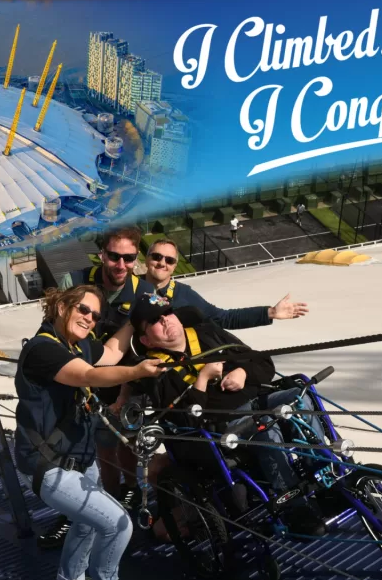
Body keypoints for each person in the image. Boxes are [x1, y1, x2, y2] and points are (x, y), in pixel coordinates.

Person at [14, 284, 162, 580]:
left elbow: (109, 352)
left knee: (87, 523)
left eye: (95, 315)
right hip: (47, 465)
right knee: (118, 523)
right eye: (83, 310)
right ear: (61, 306)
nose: (89, 319)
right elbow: (91, 374)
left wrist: (134, 316)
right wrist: (138, 371)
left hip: (78, 459)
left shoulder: (74, 344)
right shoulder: (43, 350)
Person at [127, 293, 327, 536]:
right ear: (146, 340)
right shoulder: (155, 370)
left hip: (257, 399)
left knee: (300, 395)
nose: (167, 320)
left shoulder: (207, 333)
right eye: (156, 321)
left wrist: (243, 371)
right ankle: (293, 505)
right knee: (264, 425)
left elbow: (263, 363)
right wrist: (202, 379)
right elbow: (185, 421)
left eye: (168, 313)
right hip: (219, 425)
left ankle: (323, 472)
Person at [40, 228, 154, 549]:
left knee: (127, 439)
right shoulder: (74, 282)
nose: (120, 264)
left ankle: (128, 490)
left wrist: (124, 393)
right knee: (89, 448)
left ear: (136, 260)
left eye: (129, 258)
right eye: (114, 256)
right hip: (81, 379)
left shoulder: (143, 293)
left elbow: (135, 351)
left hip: (124, 381)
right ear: (101, 254)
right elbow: (54, 331)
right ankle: (98, 502)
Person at [144, 238, 308, 330]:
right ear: (147, 258)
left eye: (170, 260)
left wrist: (270, 312)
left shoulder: (183, 293)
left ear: (174, 267)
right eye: (157, 257)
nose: (162, 263)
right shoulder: (130, 287)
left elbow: (224, 318)